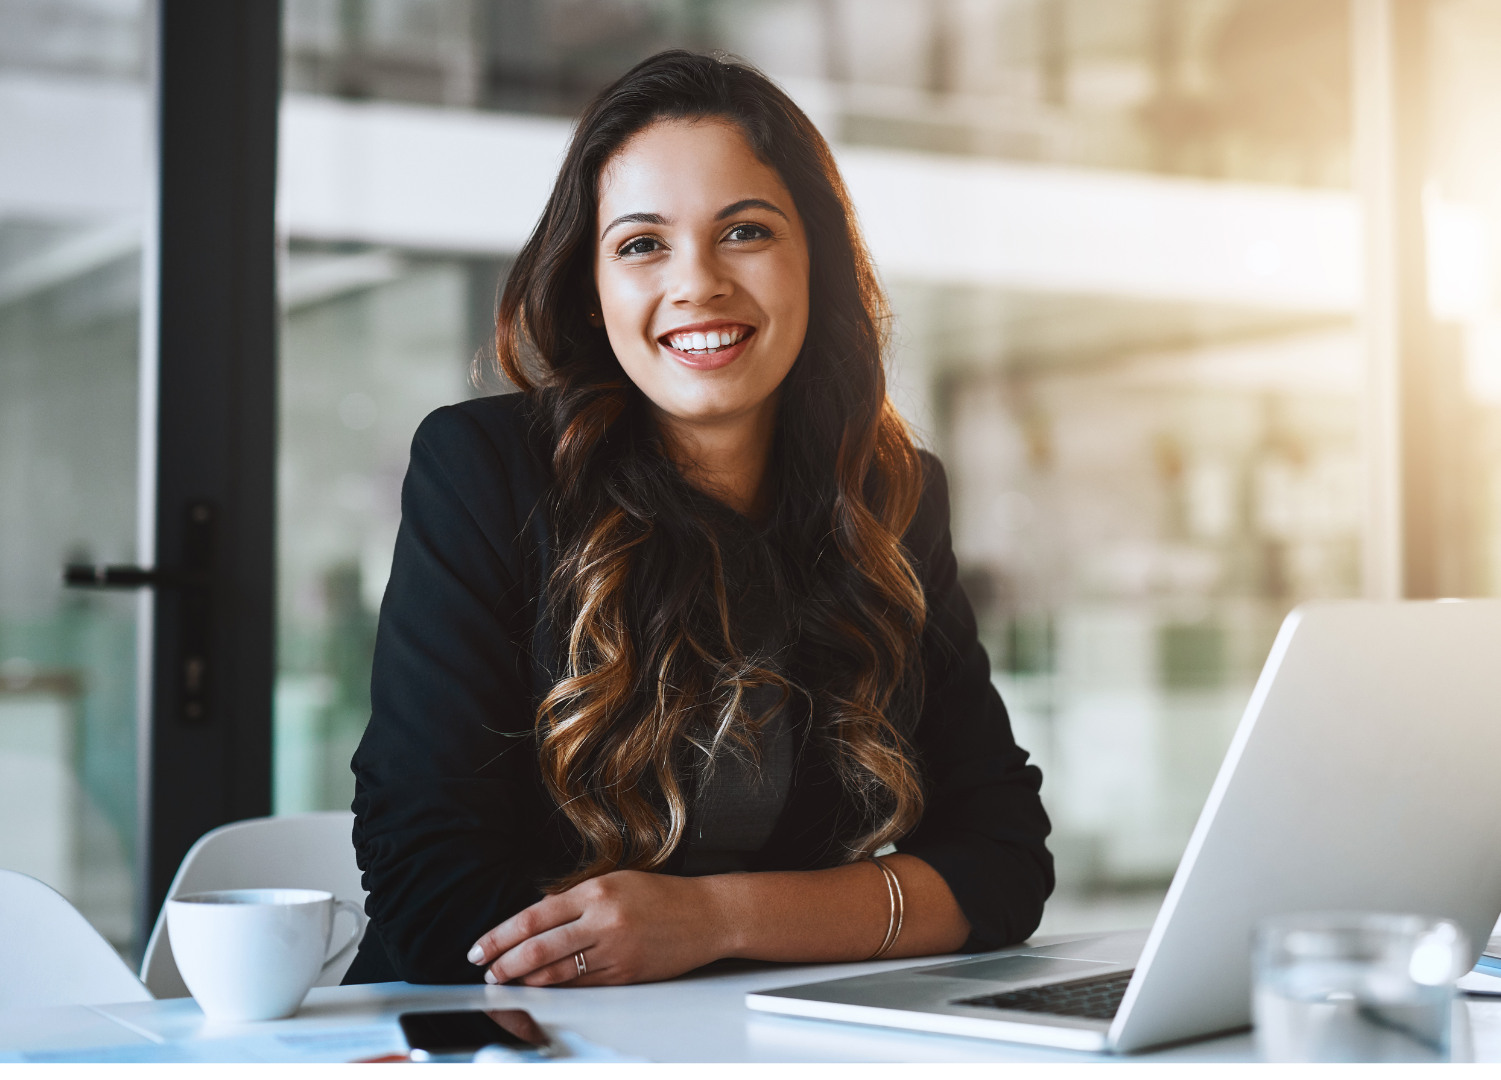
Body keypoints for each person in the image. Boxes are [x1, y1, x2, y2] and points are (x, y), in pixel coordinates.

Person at [345, 49, 1053, 989]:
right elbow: (433, 895)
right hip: (503, 1042)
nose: (699, 284)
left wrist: (714, 919)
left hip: (773, 1036)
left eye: (746, 232)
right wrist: (831, 917)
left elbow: (1002, 863)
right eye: (642, 244)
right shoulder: (482, 471)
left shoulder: (890, 494)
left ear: (817, 263)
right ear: (593, 293)